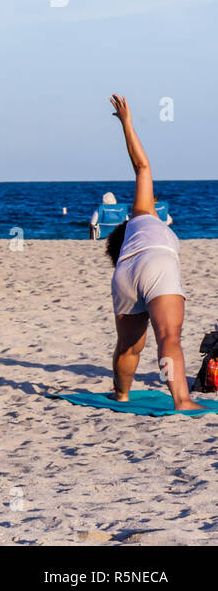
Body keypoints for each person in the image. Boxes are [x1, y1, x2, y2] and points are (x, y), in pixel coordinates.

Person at [104, 95, 201, 410]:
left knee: (129, 346)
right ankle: (182, 400)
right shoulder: (143, 212)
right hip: (156, 263)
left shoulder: (131, 237)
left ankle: (121, 393)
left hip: (124, 276)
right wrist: (127, 123)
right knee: (168, 335)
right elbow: (141, 165)